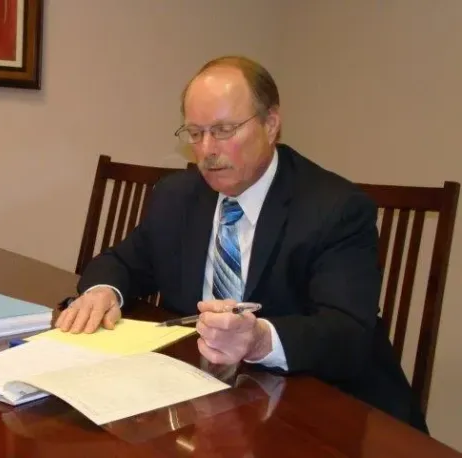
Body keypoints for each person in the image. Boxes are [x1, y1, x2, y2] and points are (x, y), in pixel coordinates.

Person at [55, 55, 428, 433]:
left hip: (329, 415)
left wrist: (260, 339)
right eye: (195, 133)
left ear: (271, 125)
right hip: (205, 403)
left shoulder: (335, 208)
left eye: (223, 130)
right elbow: (122, 262)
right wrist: (103, 291)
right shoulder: (178, 197)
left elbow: (347, 334)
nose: (207, 150)